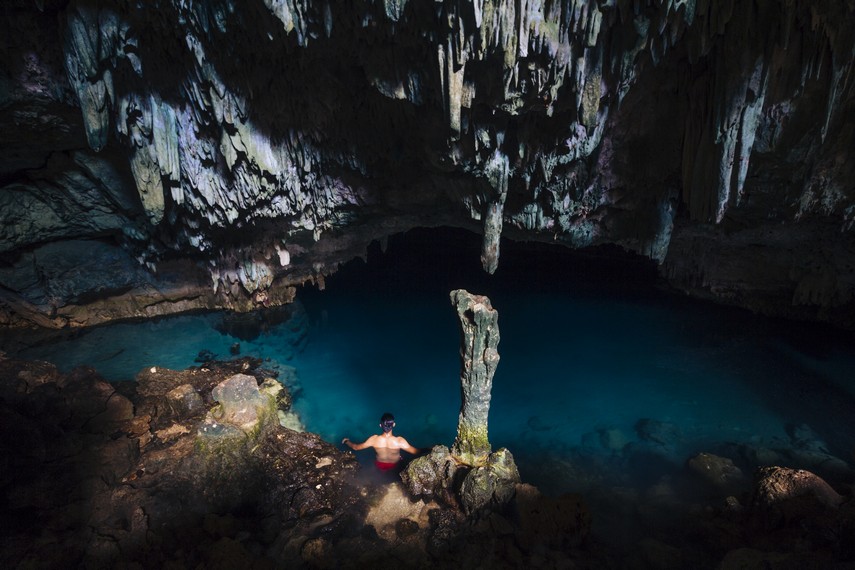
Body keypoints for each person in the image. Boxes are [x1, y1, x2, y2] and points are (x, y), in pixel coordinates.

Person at [342, 413, 420, 471]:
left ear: (380, 425)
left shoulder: (374, 439)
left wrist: (346, 441)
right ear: (394, 425)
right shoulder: (399, 441)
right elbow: (416, 452)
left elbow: (355, 447)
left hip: (380, 465)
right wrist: (430, 449)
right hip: (396, 465)